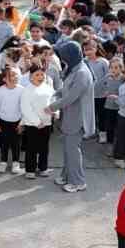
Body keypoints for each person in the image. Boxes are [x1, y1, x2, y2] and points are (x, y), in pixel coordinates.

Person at [50, 38, 95, 193]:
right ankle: (66, 175)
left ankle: (78, 181)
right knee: (68, 150)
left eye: (64, 55)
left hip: (77, 119)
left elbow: (71, 97)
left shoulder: (82, 73)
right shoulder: (74, 68)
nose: (62, 59)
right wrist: (54, 93)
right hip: (70, 117)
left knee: (72, 151)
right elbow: (66, 90)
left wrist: (52, 106)